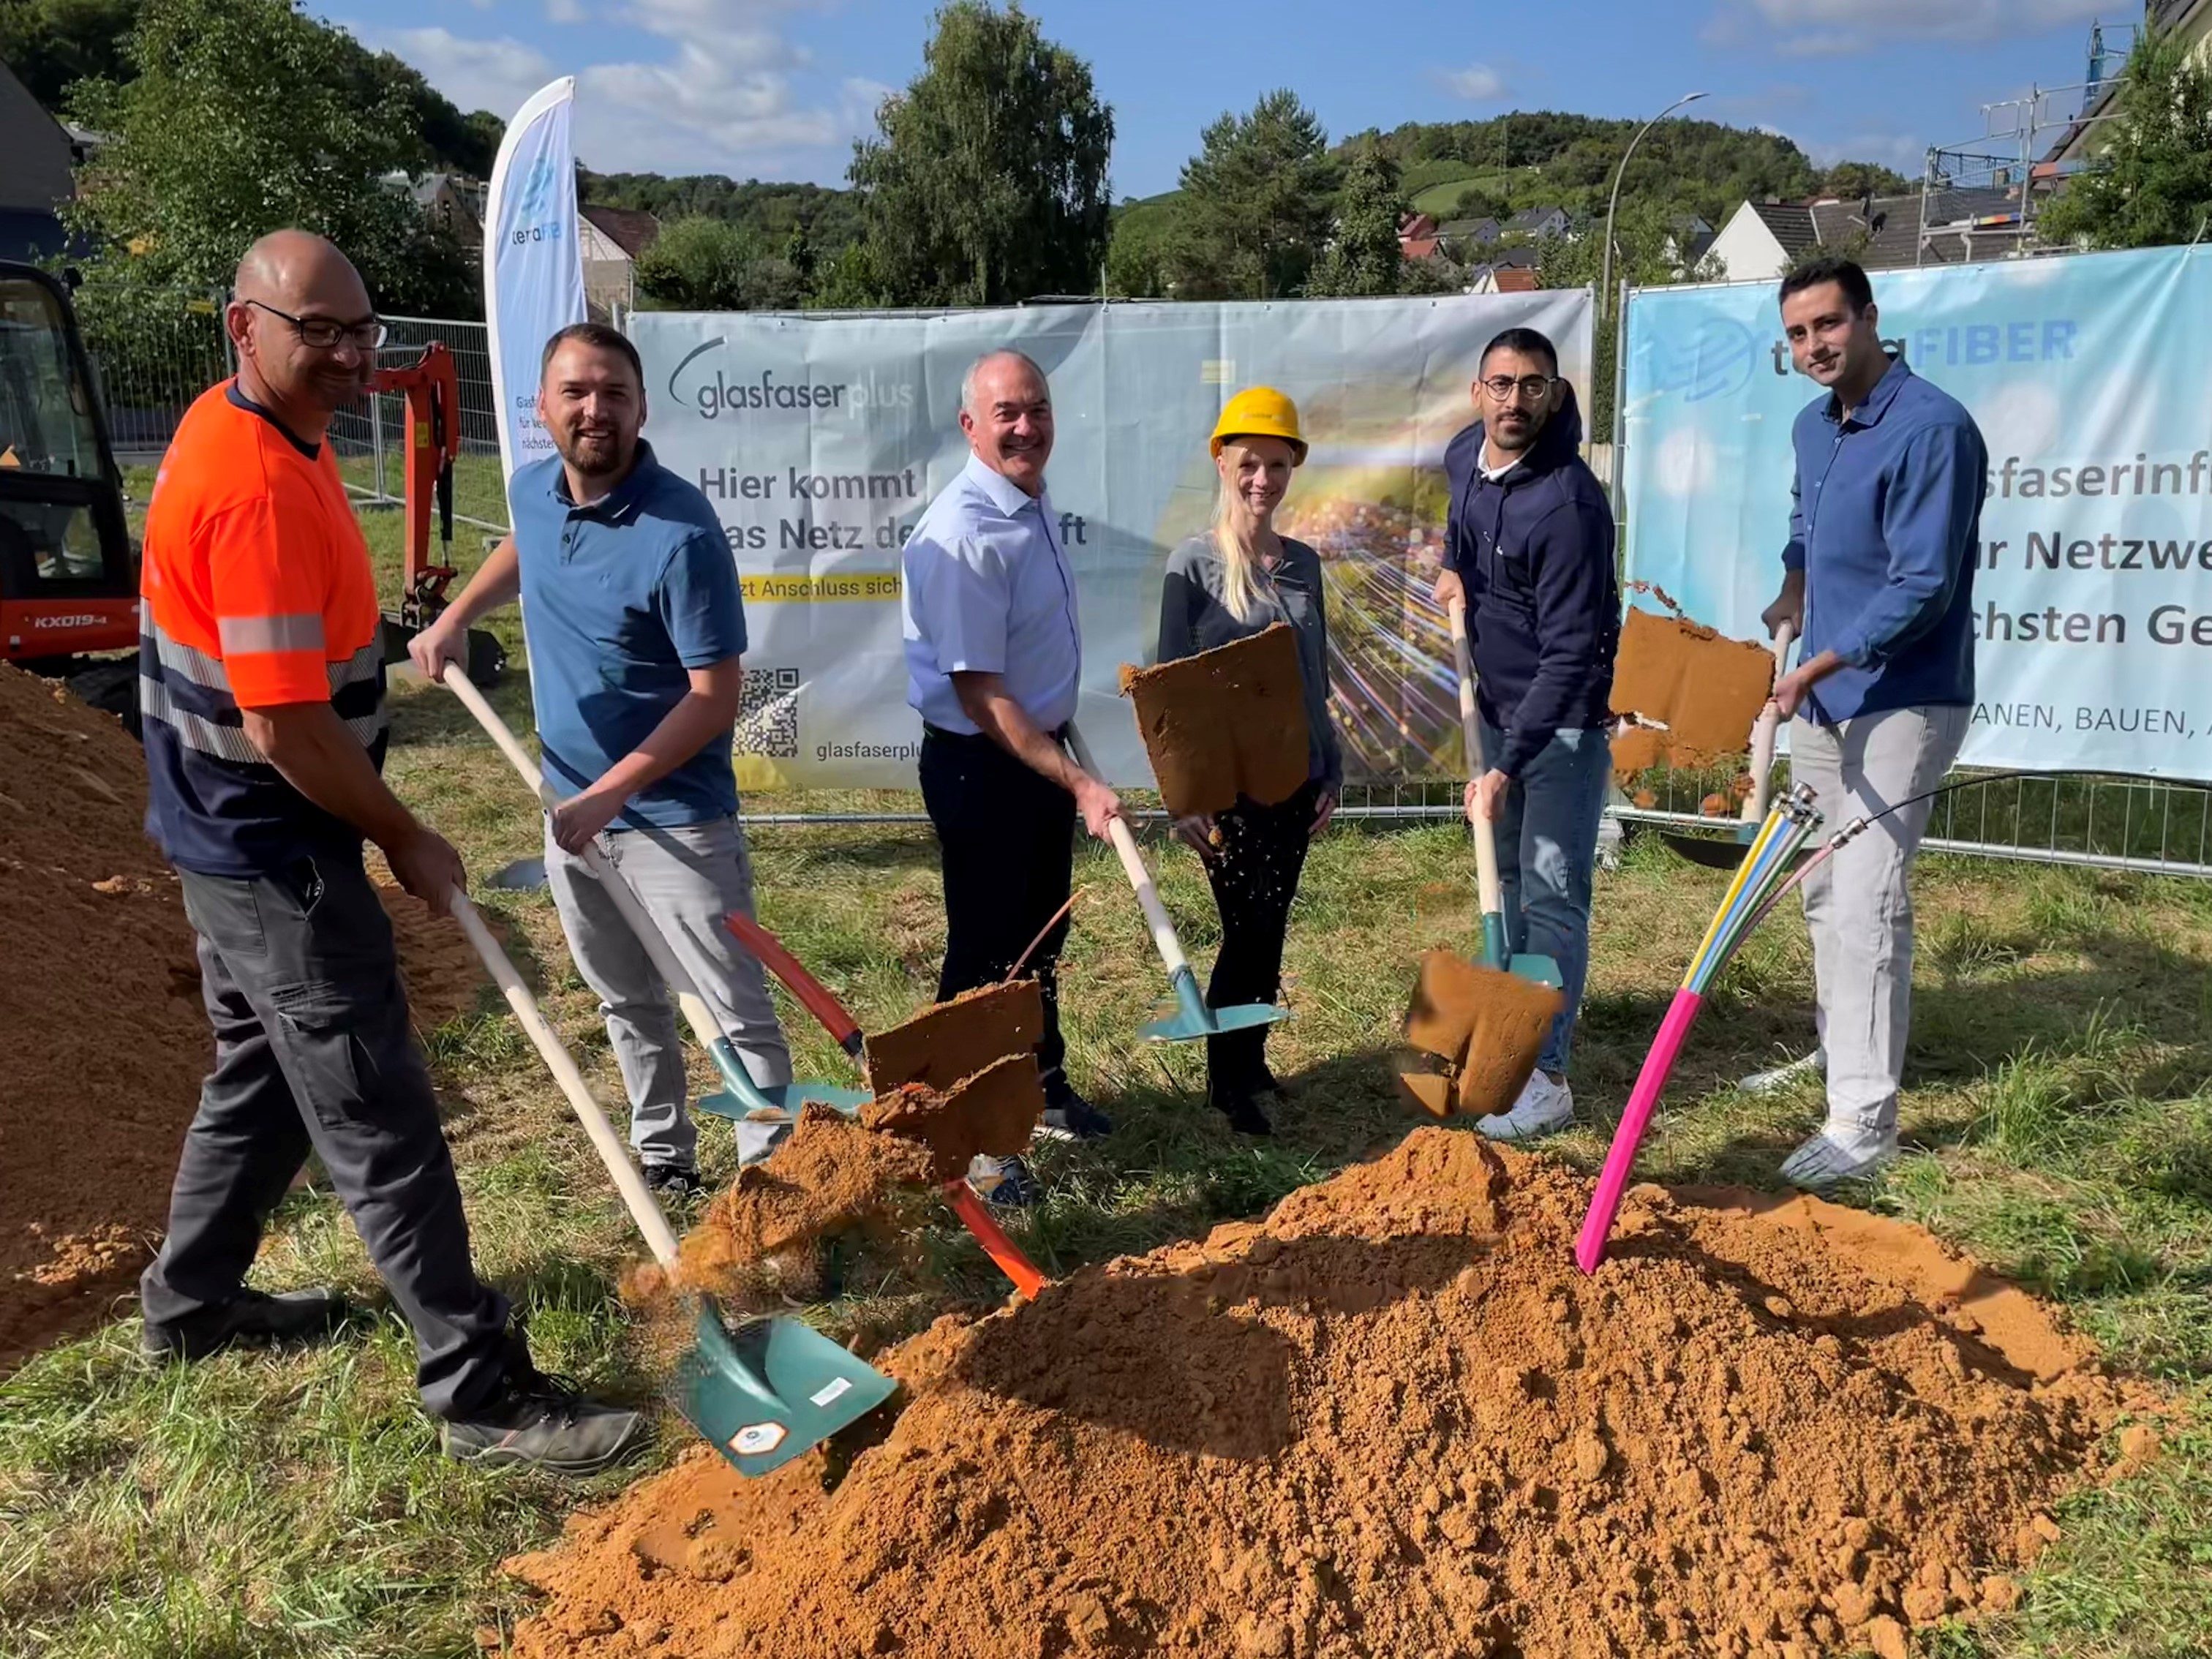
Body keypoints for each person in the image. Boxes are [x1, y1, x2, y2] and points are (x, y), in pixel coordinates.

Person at [135, 230, 642, 1475]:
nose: (350, 356)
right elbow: (284, 724)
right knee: (377, 1106)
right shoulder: (251, 484)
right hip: (273, 844)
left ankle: (189, 1306)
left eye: (361, 331)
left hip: (222, 829)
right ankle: (479, 1391)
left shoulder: (257, 430)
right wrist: (403, 833)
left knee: (264, 1078)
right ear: (243, 327)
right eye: (318, 332)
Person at [413, 323, 792, 1201]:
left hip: (676, 822)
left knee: (731, 1012)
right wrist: (457, 616)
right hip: (568, 807)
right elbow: (527, 543)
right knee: (626, 998)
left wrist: (611, 795)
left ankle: (773, 1185)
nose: (596, 410)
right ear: (542, 407)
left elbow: (714, 698)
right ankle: (666, 1156)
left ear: (641, 409)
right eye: (576, 393)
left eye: (615, 394)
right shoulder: (534, 490)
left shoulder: (680, 535)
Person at [1748, 255, 1985, 1189]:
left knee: (1869, 898)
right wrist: (1793, 586)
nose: (1815, 345)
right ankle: (1840, 1050)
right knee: (1819, 888)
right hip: (1825, 692)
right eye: (1798, 333)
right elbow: (1805, 523)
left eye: (1829, 324)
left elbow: (1924, 584)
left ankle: (1864, 1120)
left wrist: (1826, 658)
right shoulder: (1814, 426)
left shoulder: (1933, 428)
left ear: (1870, 318)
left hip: (1904, 694)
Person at [901, 348, 1121, 1201]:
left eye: (1037, 409)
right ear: (970, 426)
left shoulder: (1025, 502)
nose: (1026, 427)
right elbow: (983, 696)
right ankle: (975, 1142)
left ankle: (1042, 1088)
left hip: (1032, 757)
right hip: (983, 767)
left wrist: (1061, 760)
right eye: (1007, 414)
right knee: (988, 958)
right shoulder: (963, 534)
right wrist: (1078, 781)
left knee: (1040, 940)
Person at [1432, 327, 1620, 1143]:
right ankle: (1503, 1038)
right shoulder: (1463, 456)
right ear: (1479, 392)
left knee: (1551, 896)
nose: (1516, 401)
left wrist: (1508, 766)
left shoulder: (1570, 506)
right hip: (1498, 712)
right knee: (1503, 883)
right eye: (1502, 384)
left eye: (1533, 385)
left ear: (1555, 394)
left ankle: (1547, 1076)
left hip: (1562, 729)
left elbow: (1573, 653)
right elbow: (1460, 525)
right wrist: (1453, 565)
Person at [1155, 387, 1341, 1136]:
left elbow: (1315, 679)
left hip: (1295, 780)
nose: (1262, 479)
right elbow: (1168, 692)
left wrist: (1331, 773)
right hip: (1227, 792)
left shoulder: (1304, 565)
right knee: (1247, 927)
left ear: (1293, 468)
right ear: (1223, 465)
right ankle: (1226, 1080)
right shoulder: (1194, 565)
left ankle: (1253, 1058)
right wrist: (1183, 799)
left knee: (1273, 923)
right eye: (1249, 464)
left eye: (1277, 464)